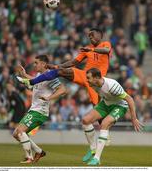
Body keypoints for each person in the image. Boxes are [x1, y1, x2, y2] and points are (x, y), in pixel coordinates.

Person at [18, 28, 112, 162]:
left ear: (100, 35)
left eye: (93, 35)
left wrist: (90, 50)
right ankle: (31, 81)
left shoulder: (105, 44)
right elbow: (73, 62)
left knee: (96, 107)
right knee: (62, 71)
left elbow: (106, 51)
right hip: (86, 76)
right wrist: (56, 66)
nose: (91, 38)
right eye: (89, 36)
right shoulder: (87, 48)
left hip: (98, 80)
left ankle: (103, 135)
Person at [82, 67, 143, 166]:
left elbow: (130, 99)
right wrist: (97, 108)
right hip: (105, 103)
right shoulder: (93, 84)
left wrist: (134, 118)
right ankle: (93, 150)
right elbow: (101, 94)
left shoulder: (112, 85)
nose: (87, 80)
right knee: (85, 120)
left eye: (88, 78)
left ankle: (97, 158)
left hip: (119, 106)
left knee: (104, 124)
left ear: (97, 77)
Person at [13, 55, 66, 164]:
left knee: (20, 132)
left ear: (43, 64)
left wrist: (49, 98)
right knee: (16, 134)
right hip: (34, 109)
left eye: (36, 63)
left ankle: (29, 157)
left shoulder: (51, 76)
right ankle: (39, 152)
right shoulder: (39, 75)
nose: (34, 65)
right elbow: (34, 81)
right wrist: (24, 75)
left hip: (39, 111)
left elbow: (63, 90)